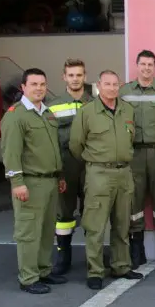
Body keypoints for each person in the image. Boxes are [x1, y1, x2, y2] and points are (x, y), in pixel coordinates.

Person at [70, 70, 144, 290]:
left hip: (123, 174)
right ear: (98, 86)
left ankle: (121, 265)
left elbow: (131, 139)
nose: (112, 88)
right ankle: (95, 271)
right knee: (96, 226)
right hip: (99, 174)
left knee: (122, 224)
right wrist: (94, 162)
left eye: (115, 84)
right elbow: (76, 144)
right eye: (107, 84)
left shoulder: (127, 110)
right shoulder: (87, 112)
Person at [1, 68, 67, 294]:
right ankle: (28, 277)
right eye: (34, 84)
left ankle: (43, 271)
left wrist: (59, 175)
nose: (39, 88)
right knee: (29, 232)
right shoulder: (16, 115)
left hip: (49, 181)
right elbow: (10, 153)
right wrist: (17, 182)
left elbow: (53, 149)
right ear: (23, 87)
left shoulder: (47, 113)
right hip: (29, 182)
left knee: (47, 230)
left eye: (42, 84)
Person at [119, 50, 155, 269]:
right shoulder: (124, 91)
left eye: (150, 64)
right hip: (132, 154)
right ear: (136, 66)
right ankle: (137, 250)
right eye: (142, 64)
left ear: (154, 67)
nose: (146, 68)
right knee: (134, 201)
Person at [48, 59, 93, 275]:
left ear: (85, 77)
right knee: (64, 214)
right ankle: (63, 256)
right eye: (71, 75)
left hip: (90, 166)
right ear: (64, 77)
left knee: (91, 212)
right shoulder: (53, 105)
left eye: (79, 75)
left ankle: (92, 257)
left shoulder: (94, 102)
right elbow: (49, 140)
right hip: (65, 166)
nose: (75, 79)